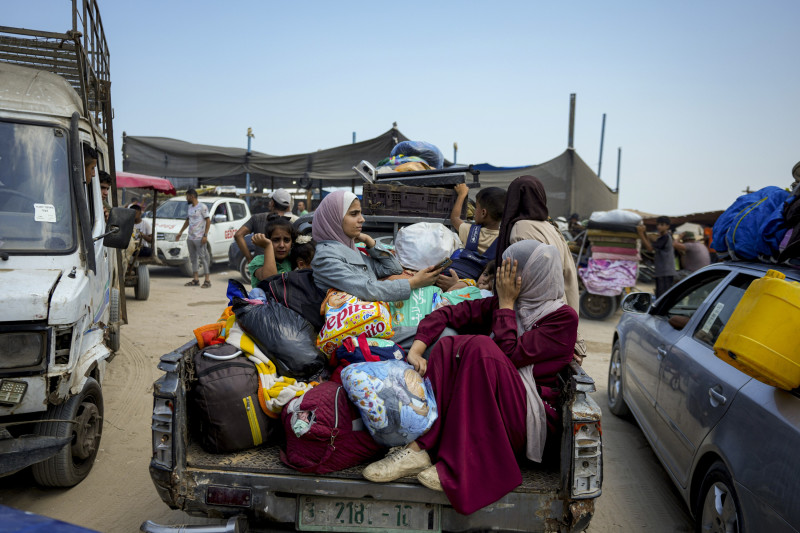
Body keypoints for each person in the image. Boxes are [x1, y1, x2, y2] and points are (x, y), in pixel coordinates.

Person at [362, 240, 578, 515]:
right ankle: (419, 450)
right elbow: (448, 312)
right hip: (501, 406)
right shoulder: (504, 305)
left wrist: (508, 305)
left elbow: (508, 353)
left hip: (531, 416)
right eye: (504, 271)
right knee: (448, 345)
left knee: (480, 348)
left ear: (536, 276)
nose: (504, 279)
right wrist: (418, 348)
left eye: (513, 272)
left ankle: (456, 463)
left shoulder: (562, 319)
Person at [310, 190, 441, 302]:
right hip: (352, 328)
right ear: (334, 219)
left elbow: (393, 269)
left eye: (360, 213)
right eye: (354, 214)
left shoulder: (350, 249)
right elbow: (367, 290)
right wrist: (413, 283)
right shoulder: (326, 257)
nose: (362, 219)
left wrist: (369, 241)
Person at [495, 175, 580, 313]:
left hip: (534, 314)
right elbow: (568, 272)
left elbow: (519, 281)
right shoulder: (552, 227)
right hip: (558, 309)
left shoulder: (520, 228)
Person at [176, 189, 211, 288]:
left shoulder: (202, 207)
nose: (186, 198)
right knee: (193, 258)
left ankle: (207, 280)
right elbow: (188, 221)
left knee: (203, 258)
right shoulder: (190, 207)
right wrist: (181, 232)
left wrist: (205, 235)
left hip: (200, 237)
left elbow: (208, 221)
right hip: (190, 237)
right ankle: (196, 279)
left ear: (192, 196)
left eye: (187, 196)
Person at [248, 216, 295, 286]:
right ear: (267, 240)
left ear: (292, 242)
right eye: (276, 240)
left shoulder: (292, 259)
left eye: (286, 240)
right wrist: (268, 246)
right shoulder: (258, 261)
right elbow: (270, 280)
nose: (281, 245)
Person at [638, 216, 676, 298]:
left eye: (662, 225)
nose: (659, 227)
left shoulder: (665, 237)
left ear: (667, 226)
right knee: (660, 295)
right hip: (662, 272)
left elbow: (650, 248)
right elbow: (651, 245)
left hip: (665, 272)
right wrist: (644, 233)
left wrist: (641, 234)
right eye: (658, 225)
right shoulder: (662, 237)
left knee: (663, 297)